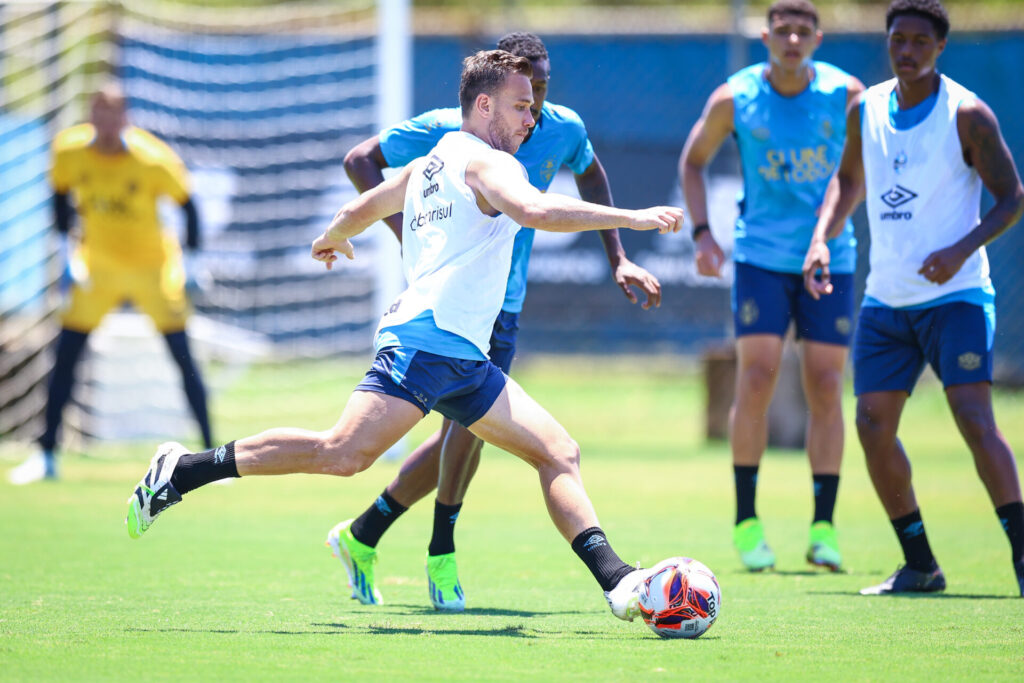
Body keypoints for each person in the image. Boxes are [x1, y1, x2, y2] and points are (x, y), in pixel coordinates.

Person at [124, 50, 685, 621]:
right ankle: (184, 471)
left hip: (463, 354)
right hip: (424, 341)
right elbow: (536, 210)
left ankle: (618, 582)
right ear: (484, 104)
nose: (531, 119)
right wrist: (632, 219)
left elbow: (363, 204)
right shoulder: (492, 165)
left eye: (533, 107)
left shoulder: (432, 162)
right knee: (341, 454)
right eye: (521, 106)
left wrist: (333, 236)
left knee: (558, 452)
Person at [338, 32, 662, 610]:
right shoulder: (455, 131)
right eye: (524, 92)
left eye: (541, 88)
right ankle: (436, 552)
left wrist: (619, 257)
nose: (532, 106)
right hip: (442, 310)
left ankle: (372, 534)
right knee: (373, 447)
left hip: (498, 308)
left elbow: (589, 174)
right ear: (495, 94)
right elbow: (362, 163)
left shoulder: (562, 126)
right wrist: (410, 241)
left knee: (476, 435)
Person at [803, 0, 1024, 596]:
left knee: (975, 420)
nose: (906, 51)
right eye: (897, 39)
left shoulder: (967, 113)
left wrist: (959, 249)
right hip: (886, 300)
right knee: (872, 424)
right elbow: (849, 180)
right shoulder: (865, 108)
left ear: (940, 48)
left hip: (957, 296)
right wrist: (822, 237)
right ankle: (920, 564)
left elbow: (1011, 197)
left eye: (920, 42)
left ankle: (1023, 556)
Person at [679, 0, 863, 572]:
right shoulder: (735, 98)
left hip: (830, 256)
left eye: (802, 31)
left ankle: (824, 528)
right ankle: (747, 522)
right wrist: (704, 234)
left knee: (827, 385)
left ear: (818, 38)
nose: (791, 39)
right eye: (781, 30)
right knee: (756, 378)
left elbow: (856, 176)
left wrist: (825, 237)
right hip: (760, 257)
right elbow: (693, 162)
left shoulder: (847, 94)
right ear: (764, 36)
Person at [8, 83, 213, 485]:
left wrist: (191, 264)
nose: (104, 120)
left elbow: (189, 208)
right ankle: (46, 454)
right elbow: (59, 200)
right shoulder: (69, 151)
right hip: (97, 265)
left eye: (113, 112)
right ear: (90, 115)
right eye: (97, 111)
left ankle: (210, 459)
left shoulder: (151, 159)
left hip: (151, 267)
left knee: (182, 357)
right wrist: (67, 254)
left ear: (125, 117)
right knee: (66, 354)